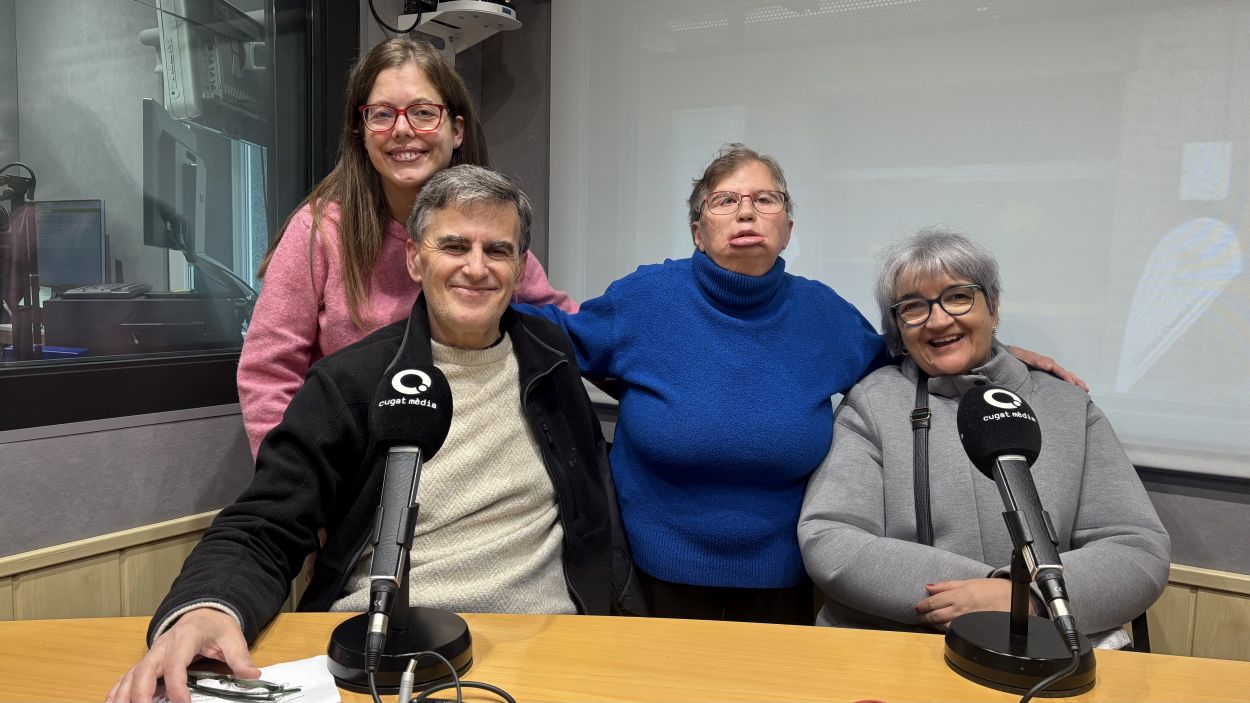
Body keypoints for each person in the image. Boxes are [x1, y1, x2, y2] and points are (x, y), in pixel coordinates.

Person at [107, 166, 638, 703]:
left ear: (520, 266)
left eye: (497, 251)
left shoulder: (551, 361)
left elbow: (594, 503)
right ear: (414, 257)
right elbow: (266, 521)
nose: (476, 268)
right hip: (377, 656)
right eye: (454, 245)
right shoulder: (353, 381)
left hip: (548, 645)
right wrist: (208, 605)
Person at [518, 144, 1080, 624]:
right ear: (697, 229)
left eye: (766, 200)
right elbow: (558, 340)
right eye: (725, 201)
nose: (747, 213)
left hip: (785, 580)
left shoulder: (824, 316)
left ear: (788, 227)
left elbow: (914, 357)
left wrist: (996, 356)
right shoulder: (646, 300)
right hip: (645, 576)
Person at [797, 227, 1169, 646]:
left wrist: (1027, 598)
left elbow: (1137, 548)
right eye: (913, 308)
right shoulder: (871, 404)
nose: (938, 320)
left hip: (1045, 650)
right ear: (897, 329)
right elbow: (832, 539)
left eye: (958, 296)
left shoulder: (1068, 406)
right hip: (898, 650)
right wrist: (985, 589)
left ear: (993, 308)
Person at [239, 38, 577, 457]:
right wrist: (302, 485)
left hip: (473, 455)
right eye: (382, 114)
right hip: (359, 470)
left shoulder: (486, 233)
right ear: (361, 132)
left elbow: (566, 327)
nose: (402, 129)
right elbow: (268, 373)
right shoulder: (317, 232)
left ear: (456, 130)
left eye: (422, 112)